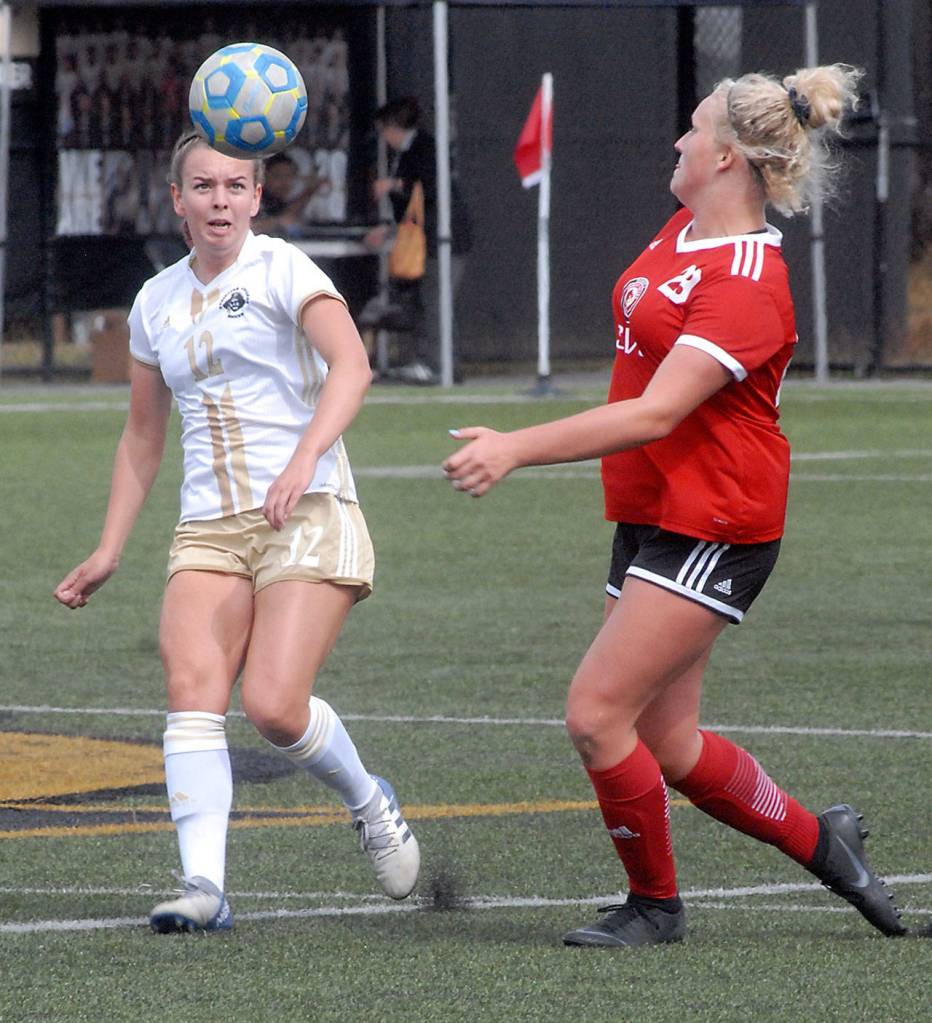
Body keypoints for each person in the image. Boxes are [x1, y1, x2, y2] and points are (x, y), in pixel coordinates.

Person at [443, 64, 910, 948]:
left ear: (729, 158)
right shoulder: (686, 229)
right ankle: (826, 841)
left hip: (716, 520)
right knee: (670, 740)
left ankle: (656, 906)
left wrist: (513, 447)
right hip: (657, 510)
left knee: (594, 714)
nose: (678, 141)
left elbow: (658, 410)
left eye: (693, 131)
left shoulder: (746, 283)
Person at [54, 132, 420, 933]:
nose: (220, 201)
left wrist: (304, 459)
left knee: (275, 707)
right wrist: (110, 546)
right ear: (178, 201)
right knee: (191, 693)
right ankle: (205, 887)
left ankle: (369, 800)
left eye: (235, 186)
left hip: (307, 507)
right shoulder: (154, 301)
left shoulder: (286, 268)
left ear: (257, 198)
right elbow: (143, 438)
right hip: (209, 528)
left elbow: (352, 367)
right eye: (203, 187)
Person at [363, 96, 471, 384]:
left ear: (394, 128)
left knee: (438, 302)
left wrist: (393, 184)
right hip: (424, 240)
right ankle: (428, 360)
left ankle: (440, 365)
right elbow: (411, 209)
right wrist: (390, 229)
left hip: (445, 239)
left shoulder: (425, 149)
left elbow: (430, 189)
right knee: (426, 301)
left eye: (385, 131)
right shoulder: (409, 153)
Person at [251, 151, 323, 237]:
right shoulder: (255, 200)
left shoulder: (278, 202)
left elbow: (288, 213)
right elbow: (251, 227)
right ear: (264, 176)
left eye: (289, 176)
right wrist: (278, 222)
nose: (284, 183)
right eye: (278, 176)